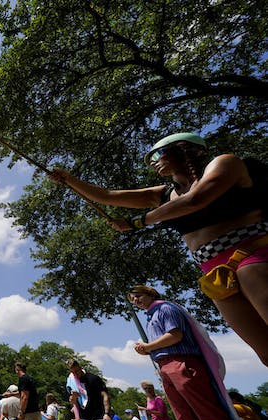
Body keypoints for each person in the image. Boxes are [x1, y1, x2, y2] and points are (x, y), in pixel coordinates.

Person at [48, 133, 268, 366]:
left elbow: (195, 200)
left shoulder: (225, 163)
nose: (152, 161)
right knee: (265, 354)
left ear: (185, 149)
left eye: (157, 153)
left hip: (250, 254)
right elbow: (108, 196)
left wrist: (138, 222)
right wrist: (69, 179)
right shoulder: (163, 194)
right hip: (213, 273)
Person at [131, 284, 268, 420]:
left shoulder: (166, 308)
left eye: (138, 296)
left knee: (213, 419)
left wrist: (148, 347)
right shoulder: (150, 317)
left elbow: (175, 335)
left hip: (182, 363)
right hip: (165, 367)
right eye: (132, 298)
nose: (135, 301)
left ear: (150, 293)